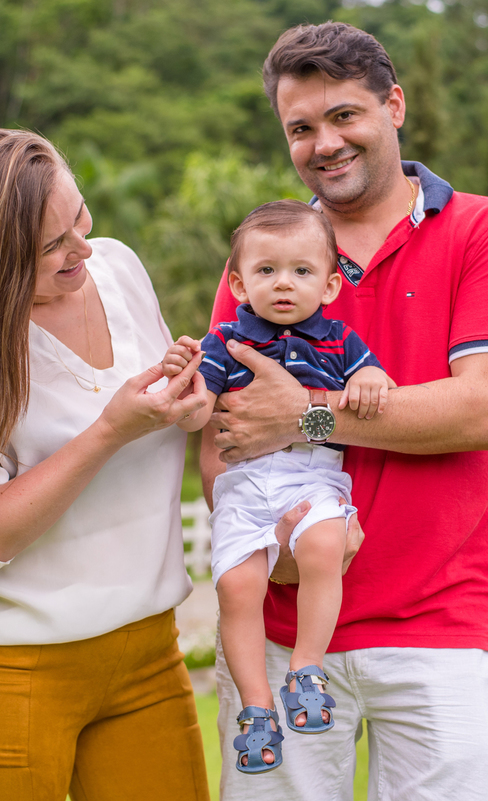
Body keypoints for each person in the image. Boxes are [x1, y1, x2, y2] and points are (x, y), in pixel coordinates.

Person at [202, 22, 488, 801]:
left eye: (344, 116)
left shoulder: (485, 230)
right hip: (285, 635)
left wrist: (307, 416)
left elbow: (486, 410)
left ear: (394, 106)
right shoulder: (269, 255)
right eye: (300, 127)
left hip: (440, 629)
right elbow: (225, 440)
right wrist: (272, 553)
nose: (324, 143)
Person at [0, 128, 214, 801]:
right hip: (5, 673)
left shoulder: (118, 270)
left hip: (148, 657)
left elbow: (155, 413)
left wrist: (189, 406)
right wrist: (108, 431)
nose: (81, 247)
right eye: (53, 246)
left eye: (80, 216)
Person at [165, 199, 391, 774]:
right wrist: (184, 385)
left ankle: (305, 668)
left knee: (321, 546)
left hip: (310, 475)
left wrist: (365, 379)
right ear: (239, 285)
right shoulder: (224, 342)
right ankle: (257, 708)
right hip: (244, 484)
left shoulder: (340, 341)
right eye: (266, 271)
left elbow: (373, 382)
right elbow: (198, 418)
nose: (283, 284)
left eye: (301, 271)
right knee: (237, 589)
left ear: (331, 286)